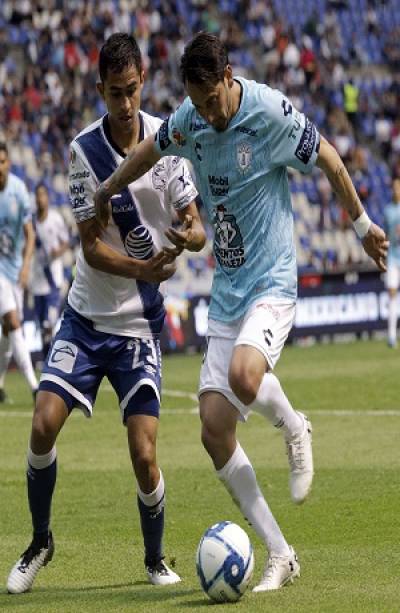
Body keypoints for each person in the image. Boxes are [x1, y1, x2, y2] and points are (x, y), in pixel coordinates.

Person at [93, 32, 388, 593]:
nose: (207, 114)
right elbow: (149, 152)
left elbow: (327, 156)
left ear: (229, 76)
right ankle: (280, 553)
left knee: (244, 376)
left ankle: (294, 425)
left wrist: (359, 224)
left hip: (272, 281)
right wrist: (108, 188)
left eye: (212, 101)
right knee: (213, 429)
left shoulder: (269, 112)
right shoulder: (190, 120)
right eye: (197, 105)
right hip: (229, 292)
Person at [7, 33, 205, 594]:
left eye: (132, 91)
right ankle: (41, 539)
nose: (124, 104)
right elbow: (91, 247)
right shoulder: (83, 152)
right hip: (86, 318)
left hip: (139, 327)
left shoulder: (168, 143)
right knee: (43, 424)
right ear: (100, 89)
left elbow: (195, 224)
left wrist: (187, 237)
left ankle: (154, 559)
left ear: (144, 82)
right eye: (114, 93)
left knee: (145, 455)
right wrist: (146, 270)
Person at [0, 142, 38, 403]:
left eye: (2, 162)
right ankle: (35, 386)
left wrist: (25, 267)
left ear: (8, 163)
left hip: (15, 270)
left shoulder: (18, 190)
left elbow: (30, 233)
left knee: (7, 330)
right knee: (13, 321)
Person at [31, 183, 70, 360]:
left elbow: (65, 241)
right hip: (37, 280)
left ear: (47, 197)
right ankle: (48, 358)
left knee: (49, 322)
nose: (40, 199)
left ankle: (53, 357)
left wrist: (58, 251)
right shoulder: (31, 222)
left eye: (43, 195)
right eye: (37, 195)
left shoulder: (55, 218)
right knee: (41, 325)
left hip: (53, 279)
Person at [384, 177, 400, 347]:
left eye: (398, 188)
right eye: (394, 188)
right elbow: (386, 235)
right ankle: (391, 336)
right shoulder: (388, 210)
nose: (396, 191)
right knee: (392, 295)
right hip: (393, 257)